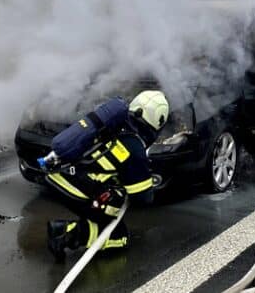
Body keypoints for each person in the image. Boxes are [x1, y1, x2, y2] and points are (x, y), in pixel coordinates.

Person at [45, 90, 169, 259]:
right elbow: (143, 197)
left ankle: (65, 230)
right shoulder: (135, 147)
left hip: (59, 173)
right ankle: (65, 236)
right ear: (157, 122)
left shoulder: (114, 123)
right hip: (77, 188)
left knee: (108, 214)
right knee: (119, 236)